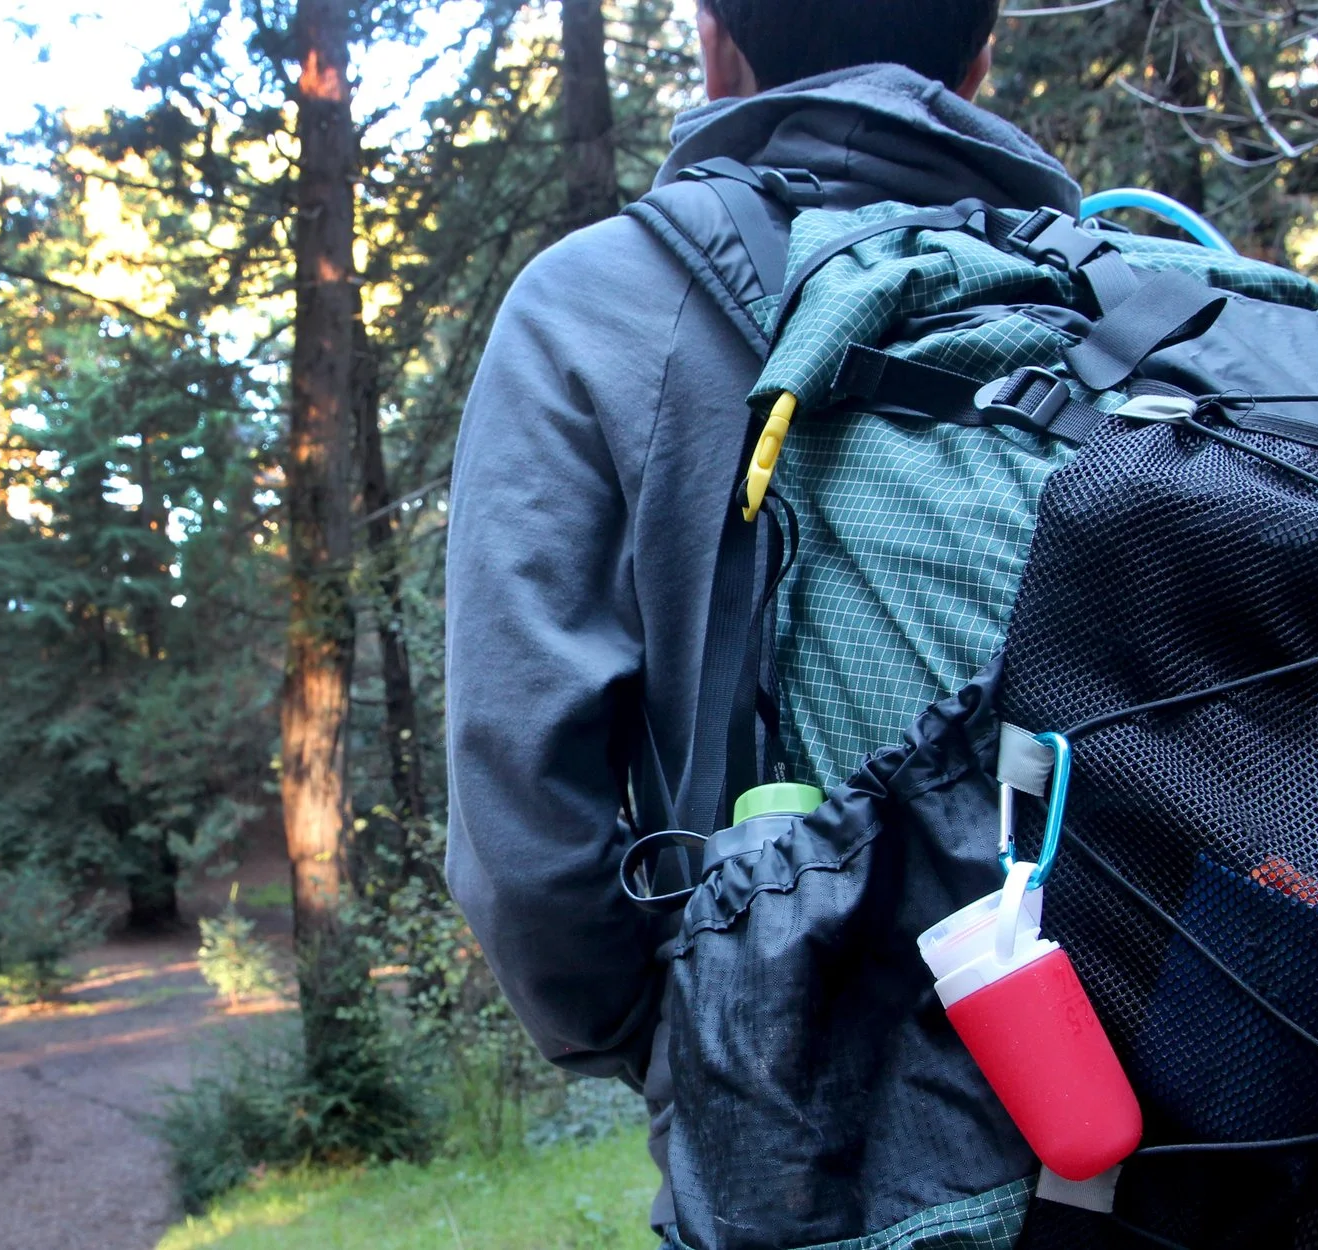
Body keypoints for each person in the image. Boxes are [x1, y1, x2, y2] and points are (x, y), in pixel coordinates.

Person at [442, 0, 1083, 1235]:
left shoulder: (594, 304)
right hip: (1207, 1095)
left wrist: (689, 1028)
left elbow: (524, 832)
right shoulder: (1132, 301)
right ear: (982, 52)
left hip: (819, 1138)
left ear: (712, 42)